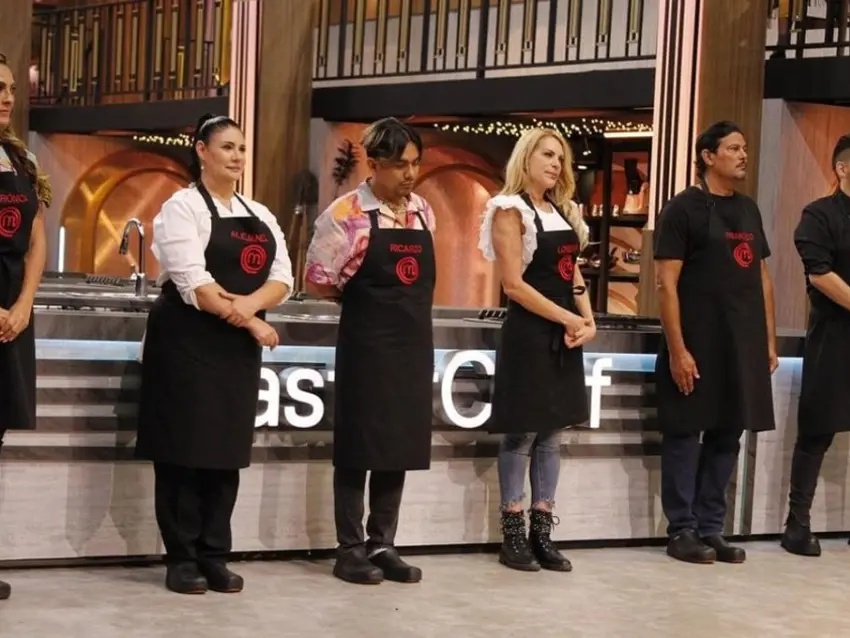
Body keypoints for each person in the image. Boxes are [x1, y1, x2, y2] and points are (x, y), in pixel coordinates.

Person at [136, 113, 293, 594]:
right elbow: (196, 284)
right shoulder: (181, 208)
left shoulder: (260, 213)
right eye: (227, 147)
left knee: (225, 454)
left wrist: (248, 308)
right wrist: (253, 320)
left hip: (234, 349)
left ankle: (214, 555)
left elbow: (283, 278)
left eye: (241, 148)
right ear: (201, 152)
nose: (237, 156)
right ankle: (181, 558)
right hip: (186, 342)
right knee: (183, 452)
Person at [304, 117, 436, 585]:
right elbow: (318, 281)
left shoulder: (422, 211)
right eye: (400, 165)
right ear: (374, 164)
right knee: (358, 446)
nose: (410, 173)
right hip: (366, 343)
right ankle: (349, 548)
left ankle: (383, 542)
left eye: (415, 163)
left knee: (397, 444)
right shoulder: (344, 214)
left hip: (413, 343)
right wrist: (365, 301)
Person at [654, 120, 777, 564]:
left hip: (741, 343)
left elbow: (762, 278)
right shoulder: (681, 209)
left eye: (744, 148)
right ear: (708, 156)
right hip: (697, 340)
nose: (743, 155)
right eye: (733, 148)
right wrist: (678, 349)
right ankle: (682, 530)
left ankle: (711, 527)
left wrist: (768, 341)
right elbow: (666, 284)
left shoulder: (748, 209)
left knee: (728, 433)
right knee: (685, 433)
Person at [478, 127, 595, 572]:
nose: (556, 164)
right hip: (529, 334)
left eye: (560, 158)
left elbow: (571, 272)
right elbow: (513, 285)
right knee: (523, 432)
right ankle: (513, 532)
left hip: (565, 333)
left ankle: (542, 532)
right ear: (525, 158)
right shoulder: (509, 209)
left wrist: (588, 319)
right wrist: (567, 318)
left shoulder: (562, 211)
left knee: (552, 434)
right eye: (547, 155)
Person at [782, 134, 850, 557]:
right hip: (834, 335)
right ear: (842, 168)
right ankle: (797, 523)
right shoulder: (818, 215)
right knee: (818, 429)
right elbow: (820, 274)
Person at [0, 52, 52, 602]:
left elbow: (36, 237)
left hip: (14, 310)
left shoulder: (20, 157)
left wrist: (24, 302)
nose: (8, 97)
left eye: (11, 87)